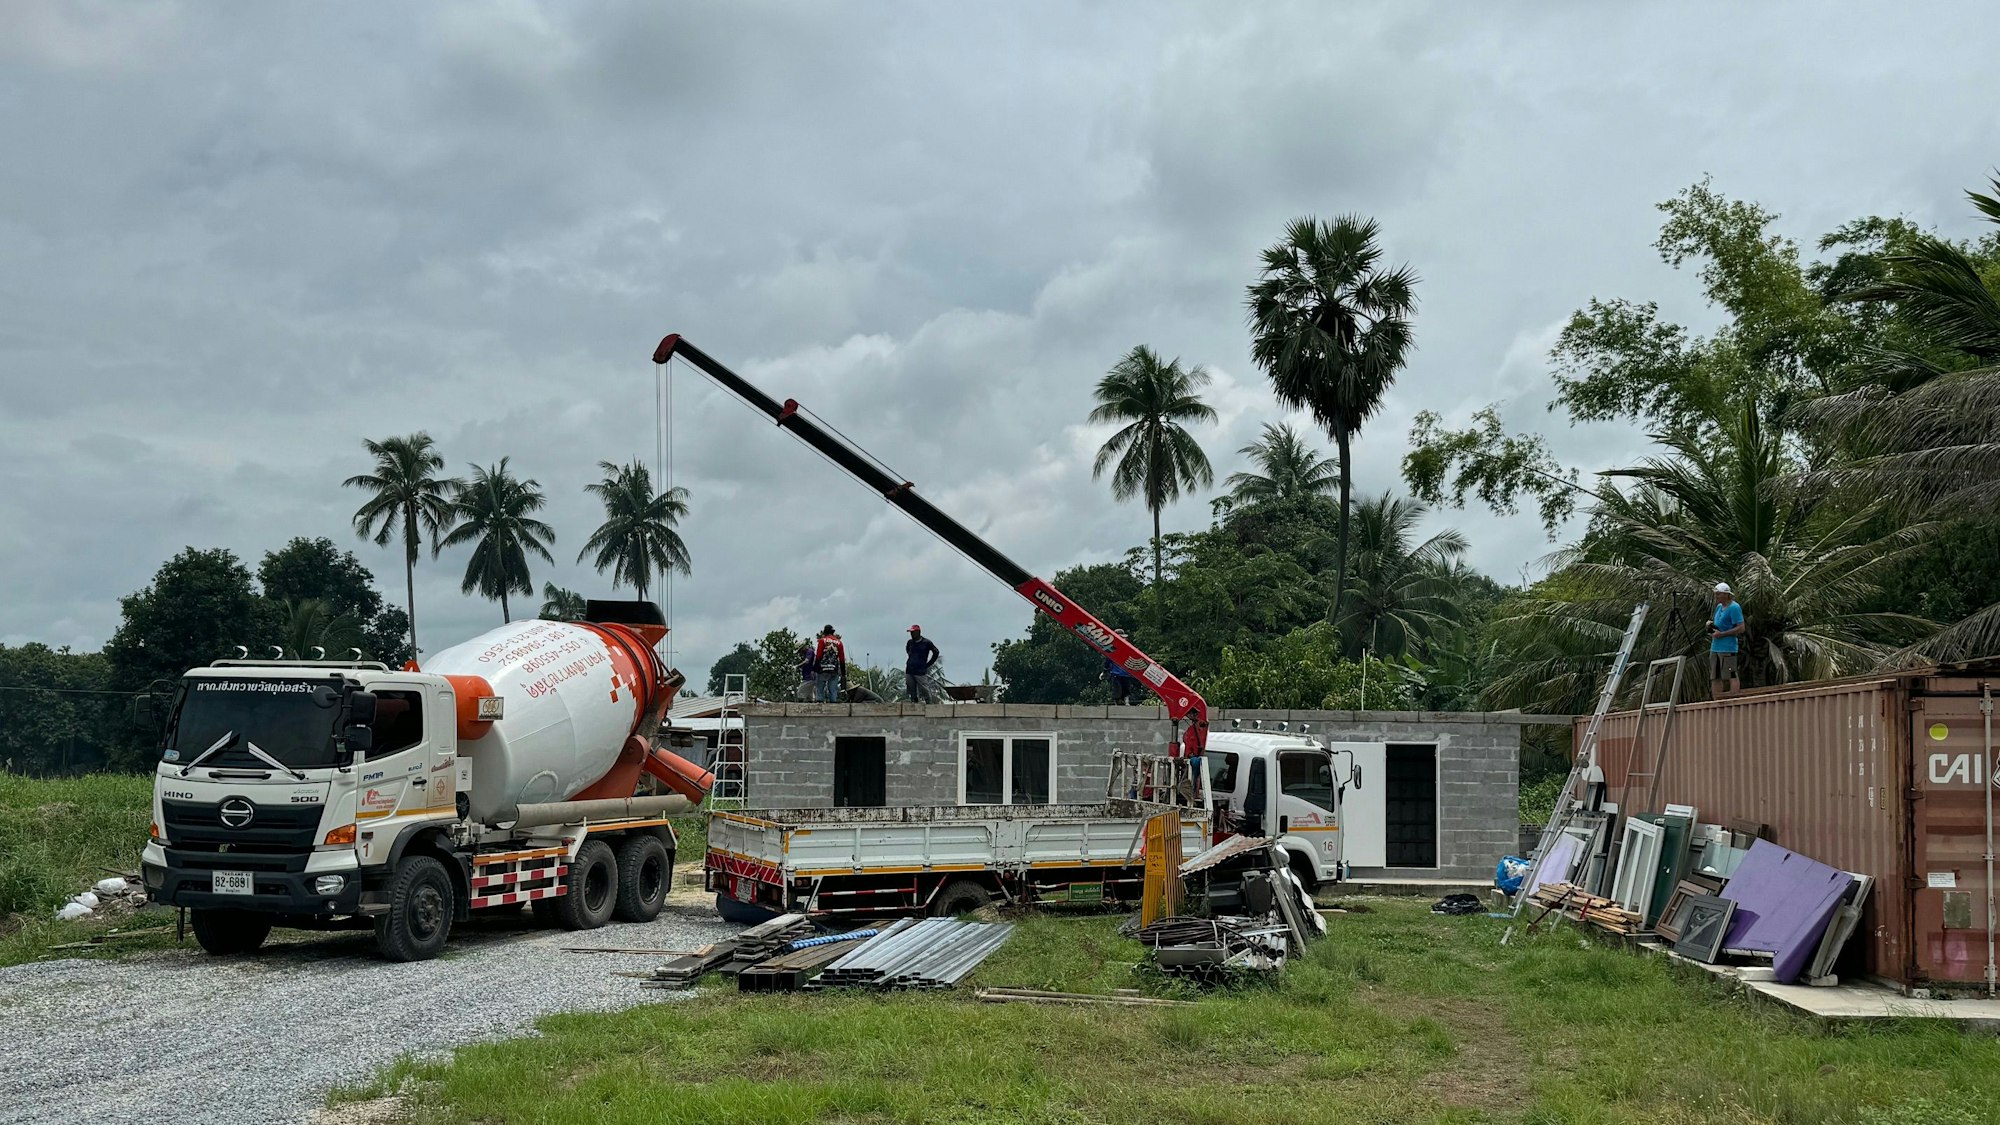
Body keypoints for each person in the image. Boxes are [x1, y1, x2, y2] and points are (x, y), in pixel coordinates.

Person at [1709, 582, 1746, 696]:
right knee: (1715, 676)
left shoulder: (1734, 607)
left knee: (1730, 674)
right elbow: (1719, 624)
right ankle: (1717, 699)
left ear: (1726, 594)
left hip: (1727, 647)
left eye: (1719, 594)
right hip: (1715, 646)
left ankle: (1734, 697)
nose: (1716, 596)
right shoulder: (1719, 607)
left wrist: (1723, 634)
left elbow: (1741, 628)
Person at [904, 625, 941, 703]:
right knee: (910, 686)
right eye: (911, 633)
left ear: (918, 632)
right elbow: (907, 649)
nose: (912, 634)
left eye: (913, 632)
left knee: (924, 688)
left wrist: (928, 664)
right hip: (910, 669)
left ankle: (929, 703)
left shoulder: (926, 642)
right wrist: (911, 656)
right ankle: (914, 701)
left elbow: (936, 652)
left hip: (920, 670)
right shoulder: (910, 642)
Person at [812, 625, 847, 703]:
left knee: (820, 688)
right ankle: (833, 704)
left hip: (823, 668)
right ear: (832, 632)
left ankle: (820, 703)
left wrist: (815, 668)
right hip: (834, 669)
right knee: (833, 689)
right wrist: (843, 673)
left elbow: (819, 656)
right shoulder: (839, 643)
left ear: (825, 632)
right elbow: (842, 659)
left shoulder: (822, 641)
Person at [1104, 629, 1139, 705]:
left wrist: (1105, 669)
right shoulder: (1113, 648)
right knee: (1119, 691)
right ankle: (1121, 703)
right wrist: (1105, 669)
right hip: (1119, 673)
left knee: (1123, 691)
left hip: (1124, 673)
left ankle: (1124, 702)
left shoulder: (1127, 647)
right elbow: (1108, 660)